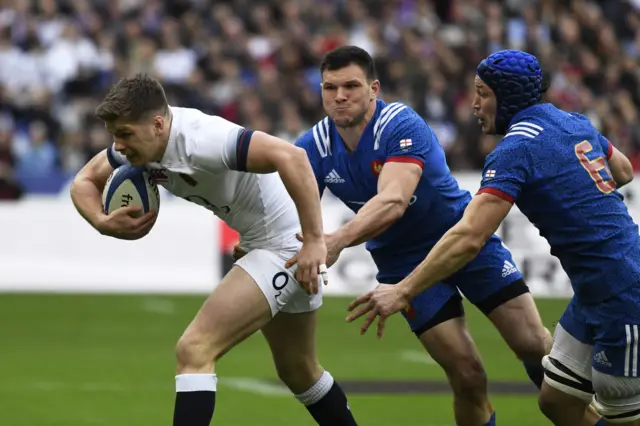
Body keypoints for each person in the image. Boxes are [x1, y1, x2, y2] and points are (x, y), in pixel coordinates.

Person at [347, 49, 640, 426]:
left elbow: (469, 236)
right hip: (593, 292)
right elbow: (622, 171)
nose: (474, 104)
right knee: (556, 400)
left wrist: (402, 290)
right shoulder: (572, 121)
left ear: (507, 97)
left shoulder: (515, 150)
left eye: (482, 93)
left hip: (622, 297)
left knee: (624, 417)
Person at [70, 74, 358, 426]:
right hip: (261, 239)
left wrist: (315, 240)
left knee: (195, 349)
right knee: (299, 370)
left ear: (158, 124)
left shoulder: (202, 140)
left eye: (125, 134)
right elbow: (84, 181)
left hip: (286, 245)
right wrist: (101, 221)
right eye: (115, 135)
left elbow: (293, 157)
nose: (119, 145)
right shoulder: (137, 144)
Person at [290, 44, 551, 426]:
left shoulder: (400, 124)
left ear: (374, 89)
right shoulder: (313, 145)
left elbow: (393, 200)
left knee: (533, 345)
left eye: (351, 86)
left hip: (463, 239)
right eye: (330, 88)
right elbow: (285, 209)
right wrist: (257, 240)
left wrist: (336, 240)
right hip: (403, 262)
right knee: (467, 375)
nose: (340, 96)